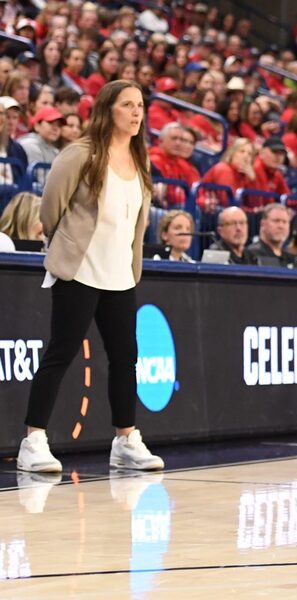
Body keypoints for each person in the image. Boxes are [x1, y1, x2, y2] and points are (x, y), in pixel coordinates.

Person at [17, 81, 164, 474]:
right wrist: (64, 247)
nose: (136, 112)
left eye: (140, 105)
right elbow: (50, 210)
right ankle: (33, 440)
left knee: (125, 358)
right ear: (107, 109)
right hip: (79, 271)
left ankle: (126, 440)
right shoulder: (80, 154)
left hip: (120, 275)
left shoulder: (141, 161)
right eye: (127, 105)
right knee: (60, 353)